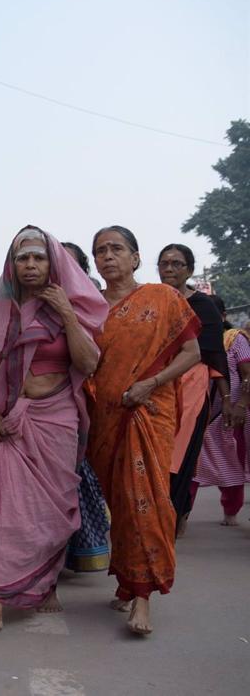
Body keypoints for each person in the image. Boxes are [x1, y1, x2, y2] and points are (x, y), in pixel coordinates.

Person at [0, 227, 107, 631]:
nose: (31, 265)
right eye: (23, 258)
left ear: (53, 263)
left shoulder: (72, 307)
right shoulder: (1, 310)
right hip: (6, 420)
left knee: (50, 512)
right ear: (12, 265)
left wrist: (68, 314)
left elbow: (88, 363)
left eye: (38, 258)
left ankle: (46, 584)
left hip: (56, 420)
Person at [87, 225, 201, 635]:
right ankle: (126, 580)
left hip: (150, 412)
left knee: (146, 501)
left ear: (136, 258)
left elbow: (191, 353)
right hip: (105, 417)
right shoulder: (90, 307)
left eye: (117, 249)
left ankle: (143, 598)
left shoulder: (163, 298)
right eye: (100, 251)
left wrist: (151, 384)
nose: (108, 256)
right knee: (119, 503)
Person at [156, 244, 230, 534]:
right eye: (164, 263)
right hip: (153, 386)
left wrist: (226, 399)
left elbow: (212, 353)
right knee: (153, 454)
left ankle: (175, 514)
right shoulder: (151, 300)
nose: (170, 269)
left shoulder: (203, 305)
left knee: (181, 455)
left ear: (189, 269)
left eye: (177, 264)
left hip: (191, 389)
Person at [60, 243, 112, 573]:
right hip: (46, 408)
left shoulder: (89, 301)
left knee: (81, 479)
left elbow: (93, 358)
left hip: (89, 401)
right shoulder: (25, 300)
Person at [192, 296, 250, 524]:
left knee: (232, 463)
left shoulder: (234, 340)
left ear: (223, 318)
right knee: (191, 467)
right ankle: (182, 515)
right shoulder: (190, 340)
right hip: (198, 413)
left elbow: (247, 374)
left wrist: (240, 405)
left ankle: (231, 513)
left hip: (229, 415)